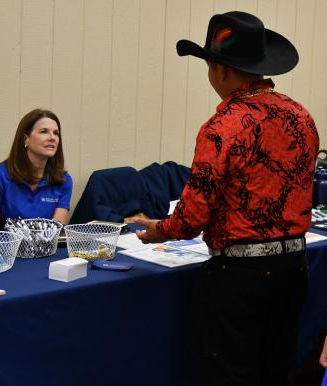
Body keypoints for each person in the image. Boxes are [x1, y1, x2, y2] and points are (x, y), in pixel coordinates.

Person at [135, 11, 319, 386]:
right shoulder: (302, 117)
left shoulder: (223, 128)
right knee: (277, 371)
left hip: (239, 278)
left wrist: (159, 231)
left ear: (220, 70)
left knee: (230, 376)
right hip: (294, 267)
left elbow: (193, 215)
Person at [0, 108, 72, 230]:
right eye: (44, 131)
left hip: (46, 248)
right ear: (25, 139)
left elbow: (55, 234)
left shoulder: (64, 180)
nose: (52, 137)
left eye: (56, 133)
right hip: (5, 248)